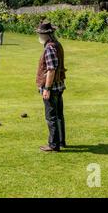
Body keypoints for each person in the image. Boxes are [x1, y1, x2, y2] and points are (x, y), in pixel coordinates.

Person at [36, 22, 67, 152]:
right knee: (59, 115)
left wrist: (47, 89)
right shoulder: (57, 44)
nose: (38, 35)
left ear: (46, 34)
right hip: (59, 86)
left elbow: (51, 69)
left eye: (40, 33)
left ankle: (54, 145)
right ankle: (61, 141)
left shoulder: (49, 48)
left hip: (52, 87)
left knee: (51, 117)